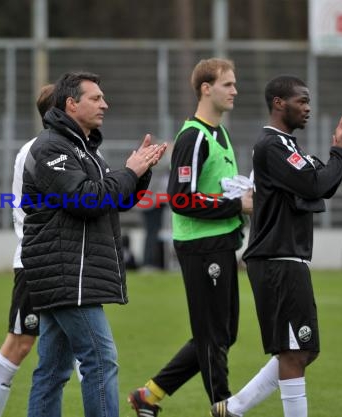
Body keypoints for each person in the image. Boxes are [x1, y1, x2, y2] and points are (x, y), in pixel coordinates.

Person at [210, 76, 342, 417]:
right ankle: (234, 409)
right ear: (279, 103)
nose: (307, 108)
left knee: (303, 349)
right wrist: (340, 152)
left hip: (287, 259)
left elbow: (319, 186)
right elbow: (316, 185)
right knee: (295, 352)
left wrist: (334, 159)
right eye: (301, 101)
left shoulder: (288, 148)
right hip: (277, 259)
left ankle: (232, 409)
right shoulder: (272, 146)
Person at [21, 71, 167, 417]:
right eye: (96, 98)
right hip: (67, 272)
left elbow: (114, 200)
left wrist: (140, 172)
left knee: (53, 371)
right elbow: (86, 200)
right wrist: (128, 171)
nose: (105, 104)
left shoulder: (85, 150)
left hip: (71, 272)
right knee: (101, 360)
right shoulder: (51, 147)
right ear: (72, 104)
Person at [128, 57, 253, 417]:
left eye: (234, 84)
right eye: (228, 84)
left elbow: (216, 189)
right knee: (213, 336)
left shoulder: (221, 133)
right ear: (205, 88)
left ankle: (148, 395)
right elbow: (180, 198)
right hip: (201, 247)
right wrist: (235, 205)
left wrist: (242, 195)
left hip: (223, 243)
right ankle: (223, 407)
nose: (235, 91)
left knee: (222, 334)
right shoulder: (193, 137)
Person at [0, 84, 82, 417]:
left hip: (66, 263)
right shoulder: (39, 151)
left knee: (86, 347)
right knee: (19, 344)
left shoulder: (70, 149)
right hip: (37, 263)